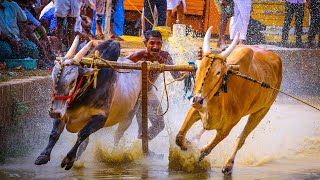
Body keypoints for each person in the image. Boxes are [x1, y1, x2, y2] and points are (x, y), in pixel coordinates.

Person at [126, 30, 186, 140]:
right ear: (145, 44)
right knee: (135, 126)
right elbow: (121, 66)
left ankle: (139, 148)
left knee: (159, 125)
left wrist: (188, 72)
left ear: (162, 44)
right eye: (152, 43)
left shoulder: (165, 56)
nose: (155, 47)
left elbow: (177, 76)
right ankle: (138, 149)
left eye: (158, 43)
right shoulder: (139, 55)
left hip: (149, 92)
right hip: (133, 94)